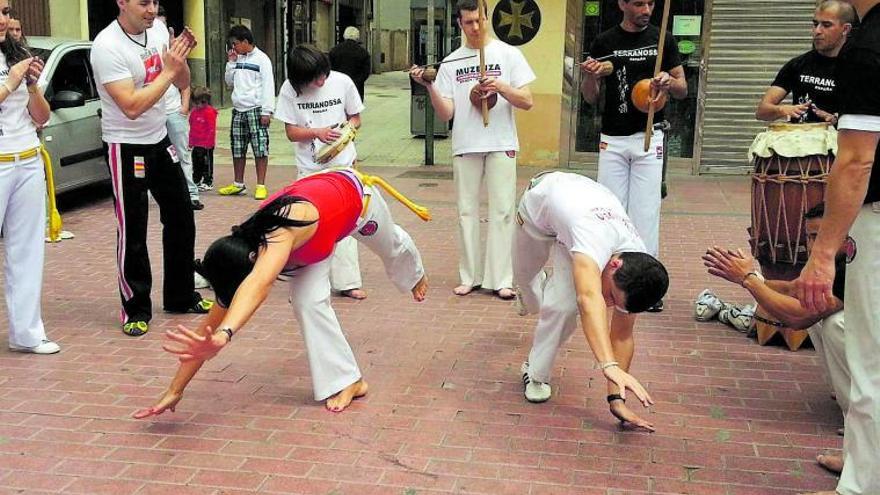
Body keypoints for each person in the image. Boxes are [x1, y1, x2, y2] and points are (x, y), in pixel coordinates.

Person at [131, 169, 430, 416]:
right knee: (306, 302)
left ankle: (414, 273)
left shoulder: (278, 234)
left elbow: (258, 285)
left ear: (254, 261)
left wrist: (226, 335)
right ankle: (349, 381)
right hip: (316, 241)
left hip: (355, 201)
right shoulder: (238, 255)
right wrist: (175, 390)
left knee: (391, 245)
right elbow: (205, 332)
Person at [796, 0, 880, 493]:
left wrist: (823, 253)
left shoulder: (866, 48)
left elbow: (855, 163)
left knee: (868, 359)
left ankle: (862, 483)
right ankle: (862, 461)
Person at [89, 0, 212, 337]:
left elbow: (181, 81)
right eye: (143, 3)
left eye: (155, 2)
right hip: (125, 145)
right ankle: (136, 307)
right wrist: (169, 71)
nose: (151, 9)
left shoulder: (157, 29)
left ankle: (180, 294)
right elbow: (131, 106)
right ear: (121, 3)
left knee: (181, 215)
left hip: (159, 140)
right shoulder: (107, 46)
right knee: (133, 227)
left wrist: (179, 60)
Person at [703, 203, 849, 475]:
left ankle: (862, 427)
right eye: (810, 236)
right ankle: (851, 408)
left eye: (820, 236)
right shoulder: (830, 260)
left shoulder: (854, 261)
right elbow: (794, 289)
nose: (813, 244)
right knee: (822, 317)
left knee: (834, 323)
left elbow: (798, 318)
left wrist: (749, 280)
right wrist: (749, 276)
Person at [514, 171, 665, 431]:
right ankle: (532, 291)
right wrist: (608, 365)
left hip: (573, 230)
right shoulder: (593, 238)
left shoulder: (637, 266)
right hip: (538, 210)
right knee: (526, 284)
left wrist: (616, 398)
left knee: (562, 306)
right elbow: (589, 299)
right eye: (611, 297)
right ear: (614, 264)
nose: (609, 303)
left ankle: (535, 373)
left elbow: (621, 336)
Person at [410, 0, 534, 300]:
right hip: (466, 143)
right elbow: (446, 113)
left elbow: (527, 100)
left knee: (503, 211)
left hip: (501, 141)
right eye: (468, 22)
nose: (475, 27)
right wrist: (429, 88)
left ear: (487, 18)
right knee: (466, 211)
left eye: (480, 20)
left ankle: (501, 278)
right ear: (459, 24)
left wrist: (501, 87)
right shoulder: (452, 61)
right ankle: (470, 275)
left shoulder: (508, 54)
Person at [580, 0, 688, 312]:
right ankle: (608, 280)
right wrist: (591, 76)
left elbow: (681, 88)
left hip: (649, 136)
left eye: (651, 3)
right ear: (622, 4)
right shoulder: (605, 41)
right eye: (639, 3)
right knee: (610, 212)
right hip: (612, 138)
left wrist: (669, 80)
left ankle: (647, 288)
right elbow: (591, 97)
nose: (646, 9)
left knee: (646, 213)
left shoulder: (662, 39)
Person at [275, 44, 368, 300]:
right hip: (309, 168)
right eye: (314, 78)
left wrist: (345, 135)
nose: (321, 81)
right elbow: (292, 132)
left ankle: (348, 282)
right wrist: (317, 132)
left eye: (323, 74)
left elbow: (356, 118)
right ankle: (306, 285)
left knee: (347, 223)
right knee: (307, 225)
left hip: (342, 165)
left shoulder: (342, 81)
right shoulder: (288, 90)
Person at [0, 1, 59, 355]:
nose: (4, 19)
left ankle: (27, 332)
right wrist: (11, 82)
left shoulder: (15, 54)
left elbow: (42, 117)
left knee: (27, 250)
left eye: (6, 11)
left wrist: (33, 86)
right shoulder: (12, 70)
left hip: (27, 159)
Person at [756, 1, 855, 124]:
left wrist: (837, 119)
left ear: (845, 29)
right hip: (800, 139)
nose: (817, 31)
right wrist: (782, 110)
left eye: (826, 25)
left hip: (837, 140)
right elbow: (762, 112)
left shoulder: (858, 68)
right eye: (815, 24)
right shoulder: (798, 64)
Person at [219, 25, 274, 201]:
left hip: (256, 109)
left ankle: (261, 185)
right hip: (238, 110)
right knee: (237, 148)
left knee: (260, 148)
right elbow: (229, 83)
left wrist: (267, 111)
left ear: (245, 41)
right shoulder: (237, 59)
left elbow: (268, 86)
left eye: (235, 44)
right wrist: (231, 62)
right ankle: (238, 183)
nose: (233, 47)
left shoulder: (262, 59)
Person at [157, 6, 201, 210]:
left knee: (182, 154)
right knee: (155, 156)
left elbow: (185, 82)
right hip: (152, 114)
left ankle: (191, 193)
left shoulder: (174, 50)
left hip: (174, 112)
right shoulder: (144, 50)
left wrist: (184, 107)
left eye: (162, 24)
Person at [329, 26, 371, 101]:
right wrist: (358, 81)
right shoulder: (363, 52)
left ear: (344, 36)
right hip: (356, 87)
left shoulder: (334, 50)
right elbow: (366, 72)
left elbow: (330, 69)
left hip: (338, 86)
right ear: (357, 37)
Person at [189, 85, 217, 191]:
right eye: (195, 103)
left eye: (199, 103)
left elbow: (211, 129)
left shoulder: (209, 112)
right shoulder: (194, 112)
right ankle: (196, 179)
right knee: (196, 162)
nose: (197, 105)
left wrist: (208, 143)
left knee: (206, 163)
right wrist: (191, 142)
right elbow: (191, 126)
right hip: (197, 143)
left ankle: (208, 181)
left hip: (206, 144)